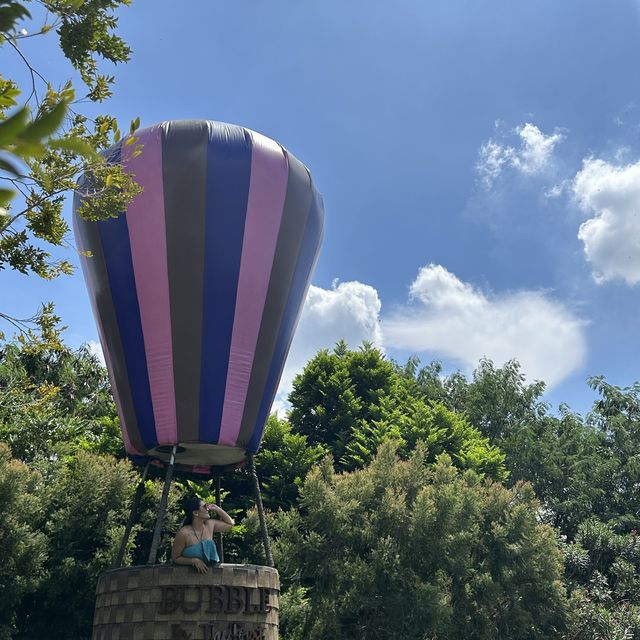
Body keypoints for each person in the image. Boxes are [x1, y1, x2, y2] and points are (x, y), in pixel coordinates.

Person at [172, 496, 235, 574]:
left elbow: (230, 524)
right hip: (187, 579)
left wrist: (217, 509)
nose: (208, 509)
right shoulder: (184, 533)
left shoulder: (210, 524)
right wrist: (193, 561)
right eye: (205, 507)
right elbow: (175, 558)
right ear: (195, 513)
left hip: (210, 579)